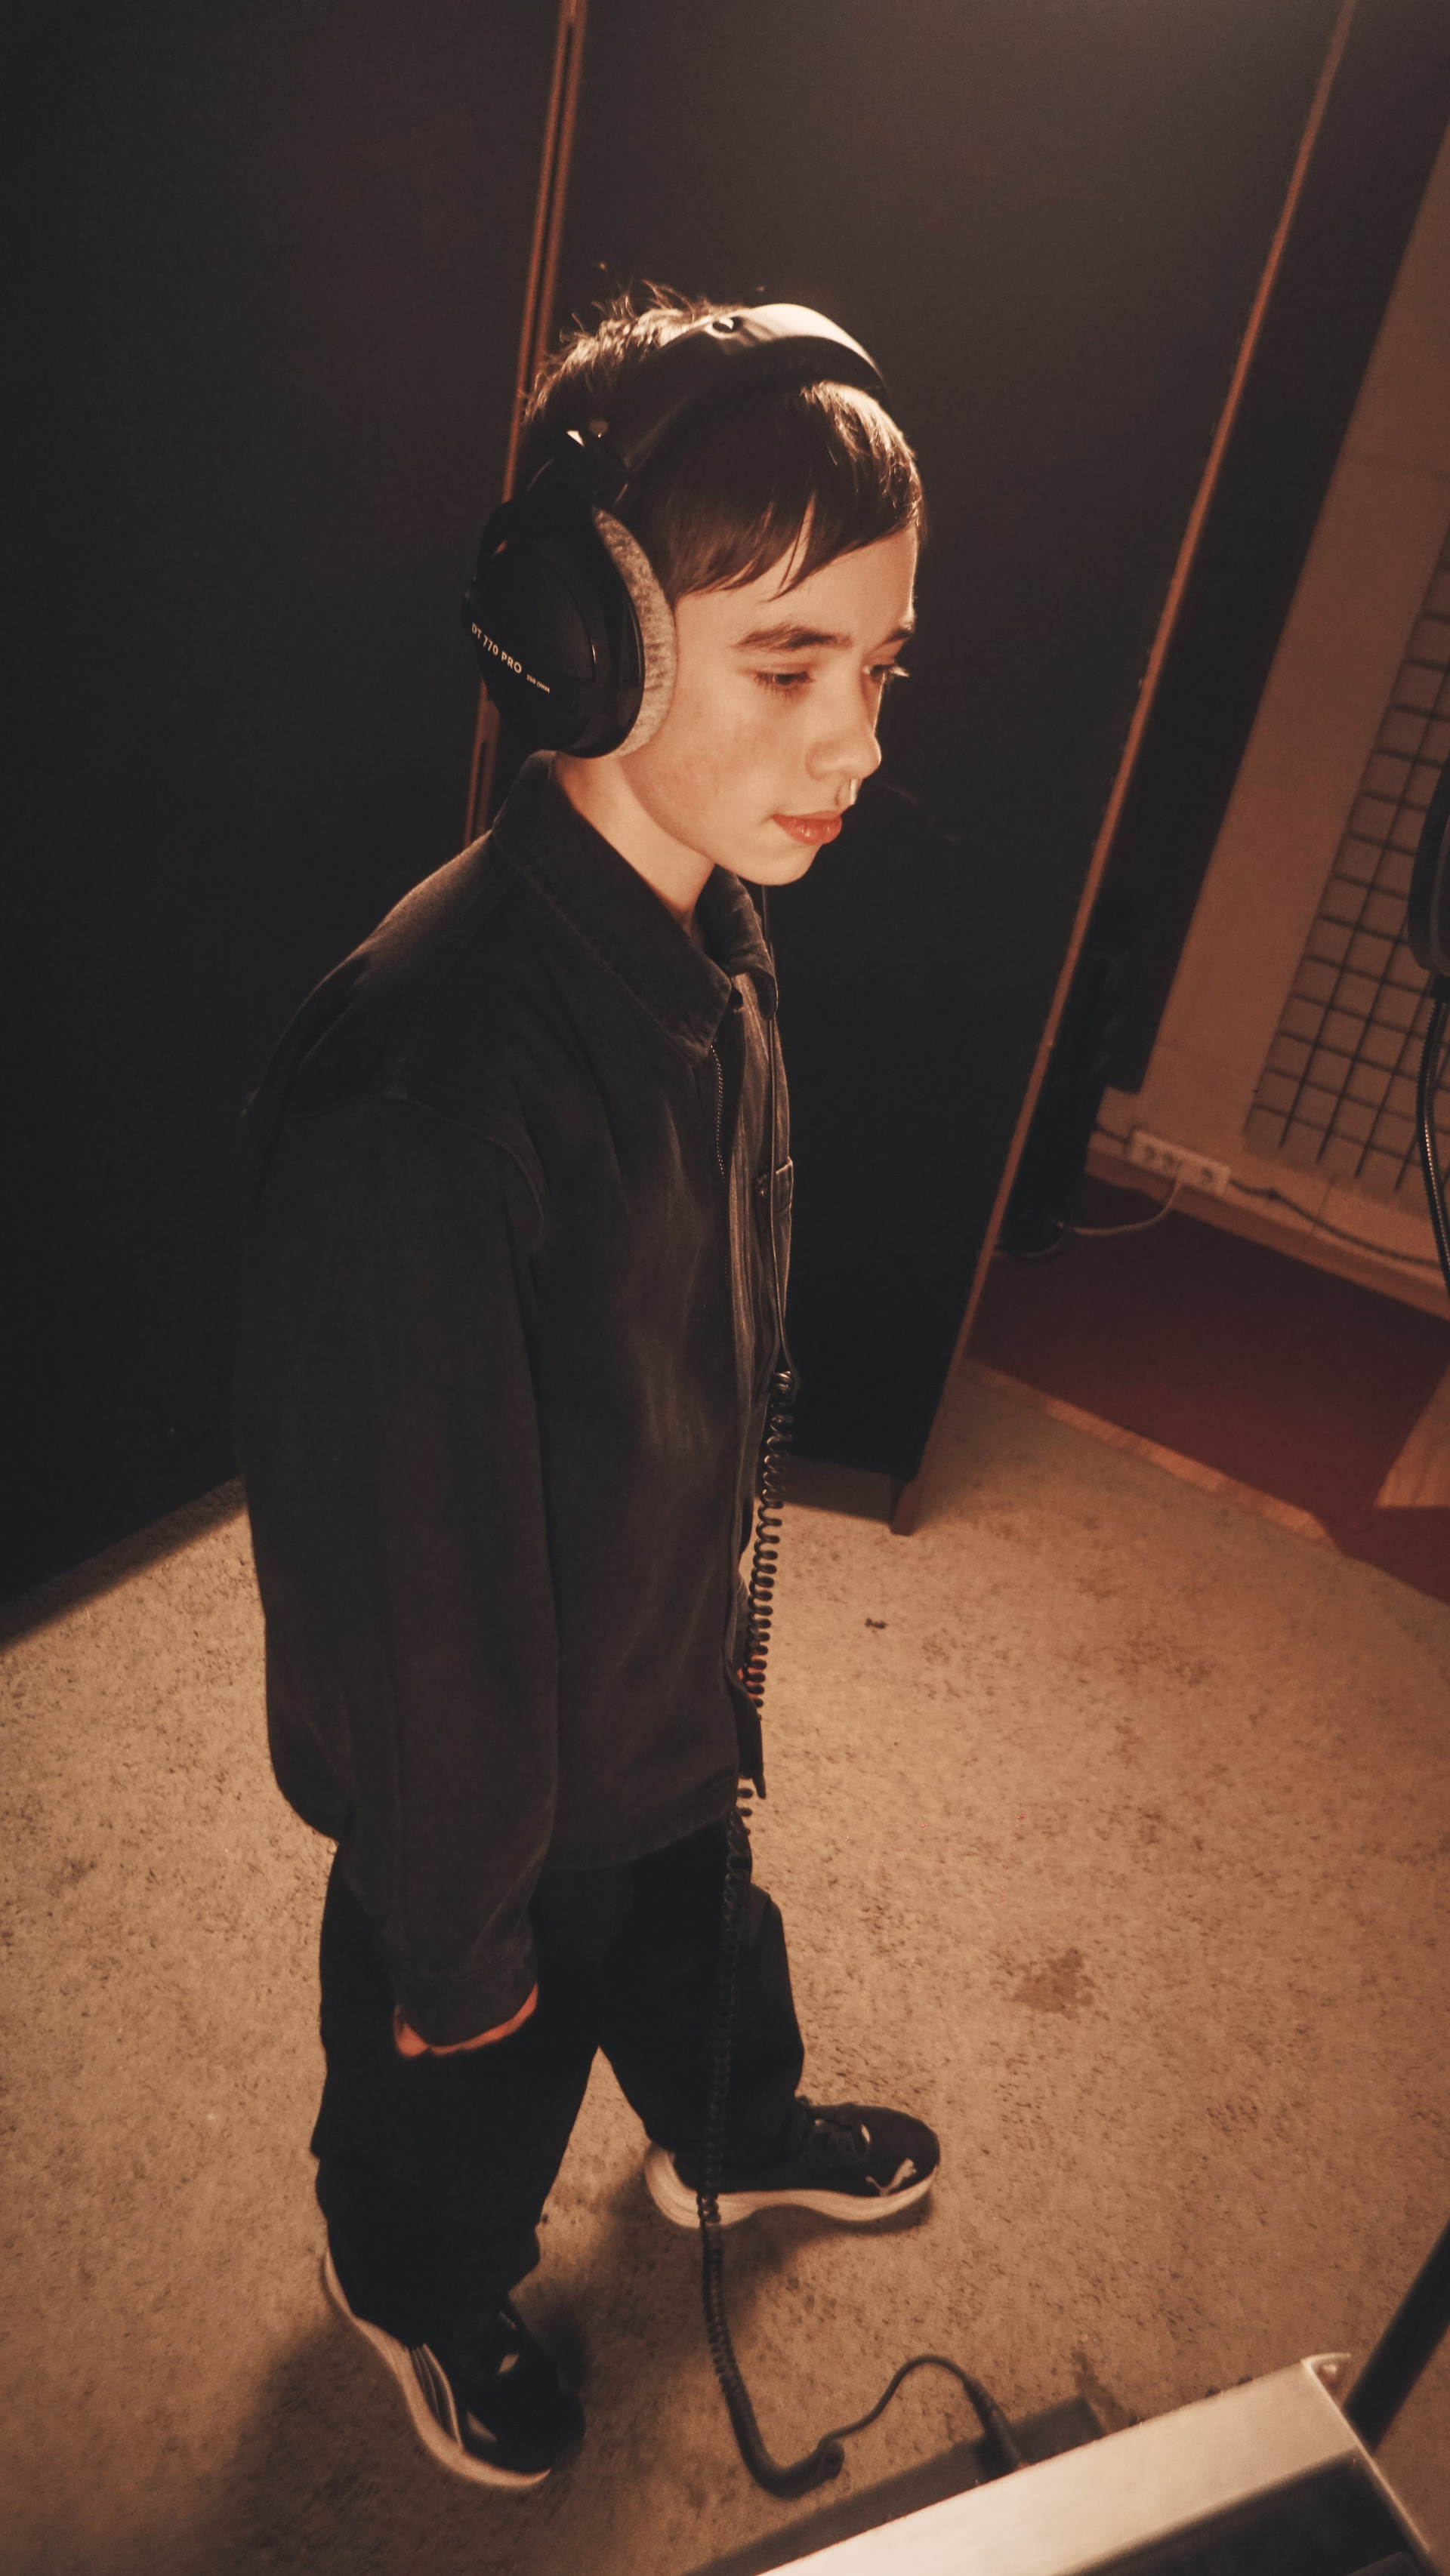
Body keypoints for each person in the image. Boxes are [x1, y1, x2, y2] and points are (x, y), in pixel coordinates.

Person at [233, 288, 940, 2492]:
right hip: (490, 1783)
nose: (857, 741)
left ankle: (728, 2126)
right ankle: (410, 2268)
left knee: (705, 1943)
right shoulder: (426, 1090)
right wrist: (455, 1942)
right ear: (587, 646)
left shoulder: (712, 940)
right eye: (790, 666)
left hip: (656, 1691)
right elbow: (412, 1603)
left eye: (883, 666)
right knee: (472, 2073)